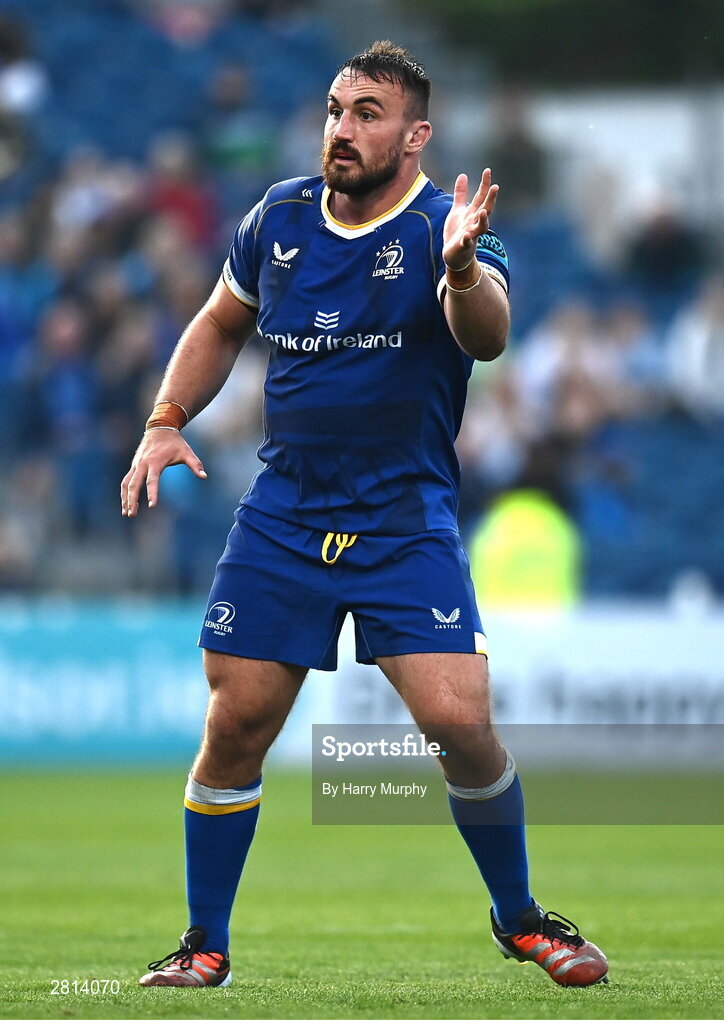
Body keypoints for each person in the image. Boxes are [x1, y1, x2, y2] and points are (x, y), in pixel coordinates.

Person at [121, 41, 608, 990]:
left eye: (368, 113)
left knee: (460, 724)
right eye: (337, 109)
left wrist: (463, 269)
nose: (343, 128)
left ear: (416, 135)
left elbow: (491, 336)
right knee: (236, 726)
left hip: (400, 516)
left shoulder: (448, 225)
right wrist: (164, 420)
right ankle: (203, 945)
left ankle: (519, 920)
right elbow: (223, 320)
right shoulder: (280, 217)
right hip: (286, 513)